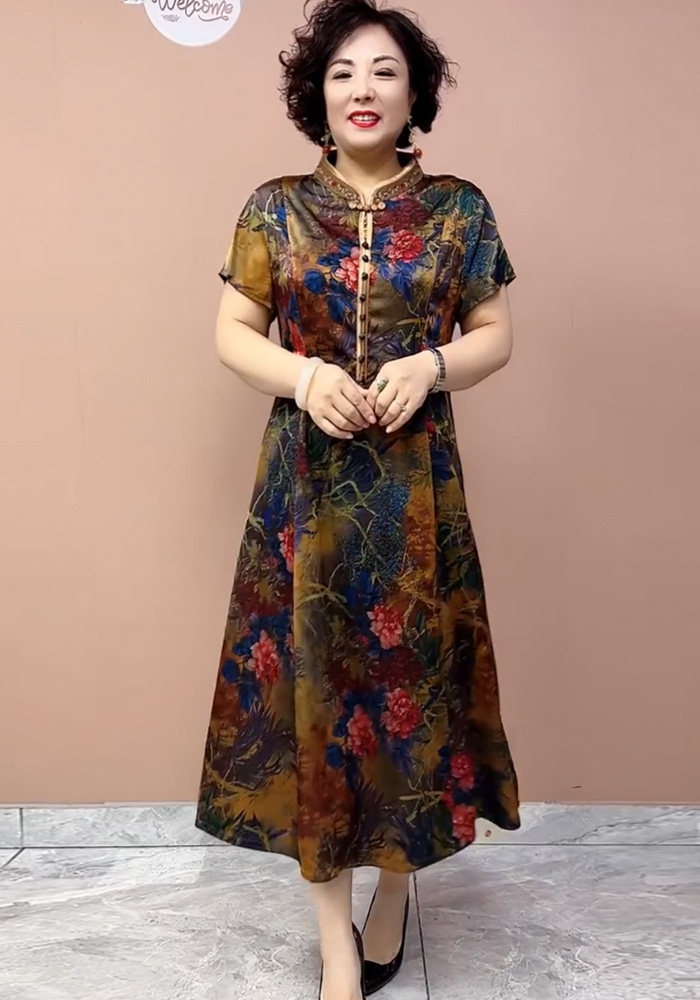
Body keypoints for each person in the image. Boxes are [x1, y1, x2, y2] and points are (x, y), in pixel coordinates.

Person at [194, 0, 522, 996]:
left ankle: (394, 896)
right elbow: (231, 331)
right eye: (342, 73)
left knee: (410, 701)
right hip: (307, 495)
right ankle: (338, 946)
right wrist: (302, 378)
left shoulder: (460, 209)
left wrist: (432, 365)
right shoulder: (273, 207)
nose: (363, 89)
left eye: (383, 71)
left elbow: (495, 333)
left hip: (417, 498)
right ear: (317, 95)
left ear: (415, 94)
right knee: (318, 704)